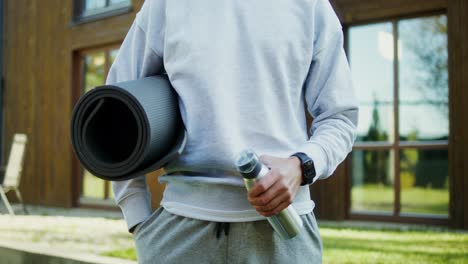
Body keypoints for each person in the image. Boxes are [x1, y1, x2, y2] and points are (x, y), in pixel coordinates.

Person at [107, 0, 358, 263]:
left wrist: (301, 166)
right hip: (179, 237)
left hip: (285, 231)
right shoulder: (166, 5)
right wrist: (137, 218)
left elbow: (339, 117)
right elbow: (114, 108)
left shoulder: (310, 5)